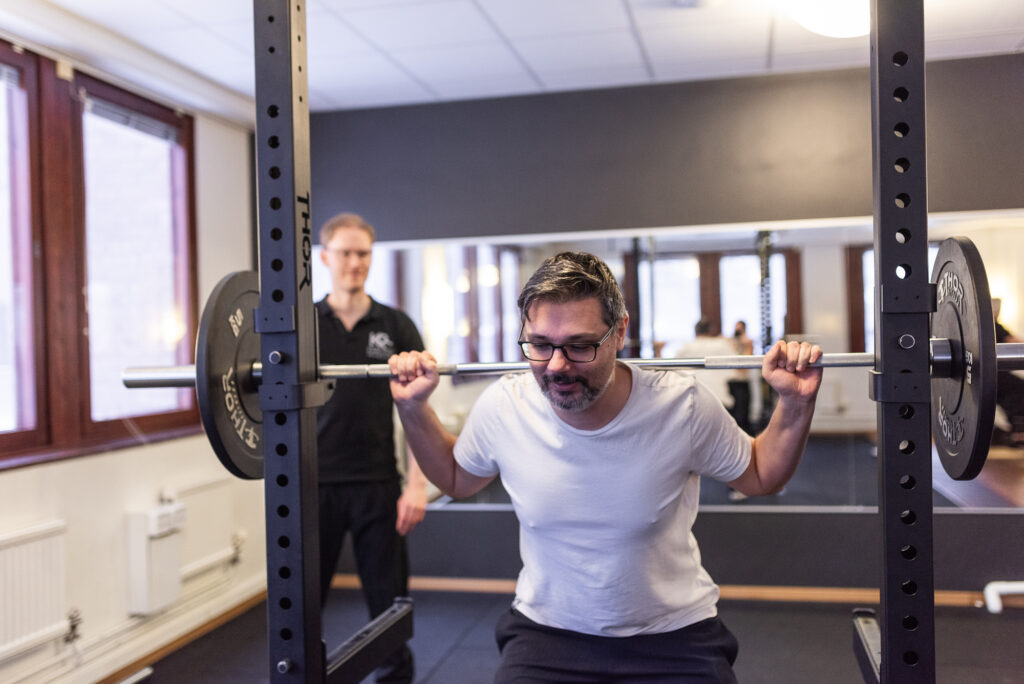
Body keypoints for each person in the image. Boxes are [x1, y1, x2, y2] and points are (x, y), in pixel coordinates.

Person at [387, 251, 823, 683]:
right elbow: (456, 478)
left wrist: (796, 402)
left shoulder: (681, 404)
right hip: (547, 634)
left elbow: (760, 474)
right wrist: (412, 408)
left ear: (619, 332)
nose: (557, 366)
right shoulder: (506, 404)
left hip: (672, 636)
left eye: (580, 346)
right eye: (540, 345)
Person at [316, 212, 426, 683]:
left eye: (362, 253)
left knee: (389, 606)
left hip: (378, 484)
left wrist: (417, 486)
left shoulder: (395, 325)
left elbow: (416, 411)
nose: (354, 262)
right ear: (325, 257)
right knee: (302, 605)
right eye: (345, 252)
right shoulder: (302, 326)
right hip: (313, 487)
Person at [728, 320, 755, 435]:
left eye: (739, 329)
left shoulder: (747, 342)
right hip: (732, 382)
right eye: (736, 329)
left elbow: (744, 366)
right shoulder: (731, 342)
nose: (737, 331)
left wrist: (744, 345)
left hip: (742, 382)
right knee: (733, 414)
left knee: (743, 414)